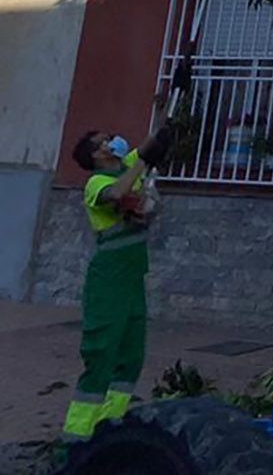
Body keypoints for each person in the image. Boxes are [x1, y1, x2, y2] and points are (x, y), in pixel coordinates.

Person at [63, 125, 172, 439]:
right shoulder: (96, 183)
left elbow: (150, 141)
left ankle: (110, 426)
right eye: (105, 141)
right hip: (108, 278)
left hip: (133, 273)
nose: (114, 141)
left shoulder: (128, 165)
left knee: (130, 353)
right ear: (98, 155)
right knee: (102, 351)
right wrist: (143, 162)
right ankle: (77, 438)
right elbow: (119, 193)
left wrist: (177, 90)